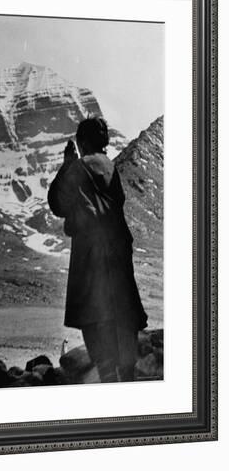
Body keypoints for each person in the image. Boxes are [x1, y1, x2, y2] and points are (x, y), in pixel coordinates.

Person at [48, 117, 148, 383]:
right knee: (121, 312)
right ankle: (126, 377)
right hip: (118, 247)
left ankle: (108, 380)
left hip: (92, 252)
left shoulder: (80, 167)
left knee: (94, 314)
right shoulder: (110, 166)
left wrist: (67, 164)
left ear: (83, 141)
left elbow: (57, 203)